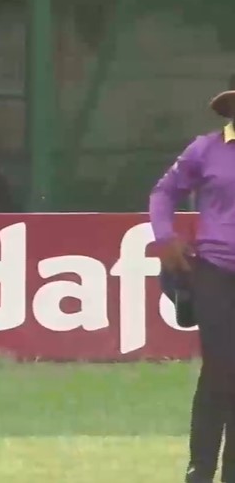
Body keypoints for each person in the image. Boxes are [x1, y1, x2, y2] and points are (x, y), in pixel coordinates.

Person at [149, 75, 235, 483]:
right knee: (222, 366)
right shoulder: (206, 148)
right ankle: (201, 468)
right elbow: (164, 192)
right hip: (215, 269)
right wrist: (164, 237)